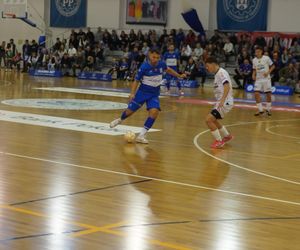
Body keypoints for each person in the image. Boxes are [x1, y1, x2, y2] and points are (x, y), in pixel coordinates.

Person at [109, 48, 186, 144]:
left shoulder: (161, 64)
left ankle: (141, 135)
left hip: (154, 95)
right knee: (129, 112)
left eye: (158, 57)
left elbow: (169, 70)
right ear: (149, 55)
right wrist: (132, 93)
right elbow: (136, 80)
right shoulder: (144, 66)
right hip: (142, 93)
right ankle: (120, 120)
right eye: (154, 57)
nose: (156, 59)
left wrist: (179, 75)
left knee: (154, 112)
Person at [205, 56, 234, 149]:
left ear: (213, 64)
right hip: (223, 101)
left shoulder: (221, 73)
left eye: (207, 65)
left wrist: (222, 101)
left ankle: (219, 141)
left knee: (208, 120)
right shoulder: (217, 74)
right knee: (214, 120)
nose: (207, 68)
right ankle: (227, 136)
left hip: (225, 101)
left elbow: (227, 86)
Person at [252, 46, 275, 116]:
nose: (257, 53)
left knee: (268, 94)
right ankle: (260, 110)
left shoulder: (266, 58)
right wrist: (253, 75)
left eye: (258, 52)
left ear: (261, 52)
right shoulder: (254, 60)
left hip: (266, 79)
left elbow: (273, 66)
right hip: (258, 79)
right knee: (256, 94)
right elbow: (254, 69)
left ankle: (268, 110)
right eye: (256, 52)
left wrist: (268, 72)